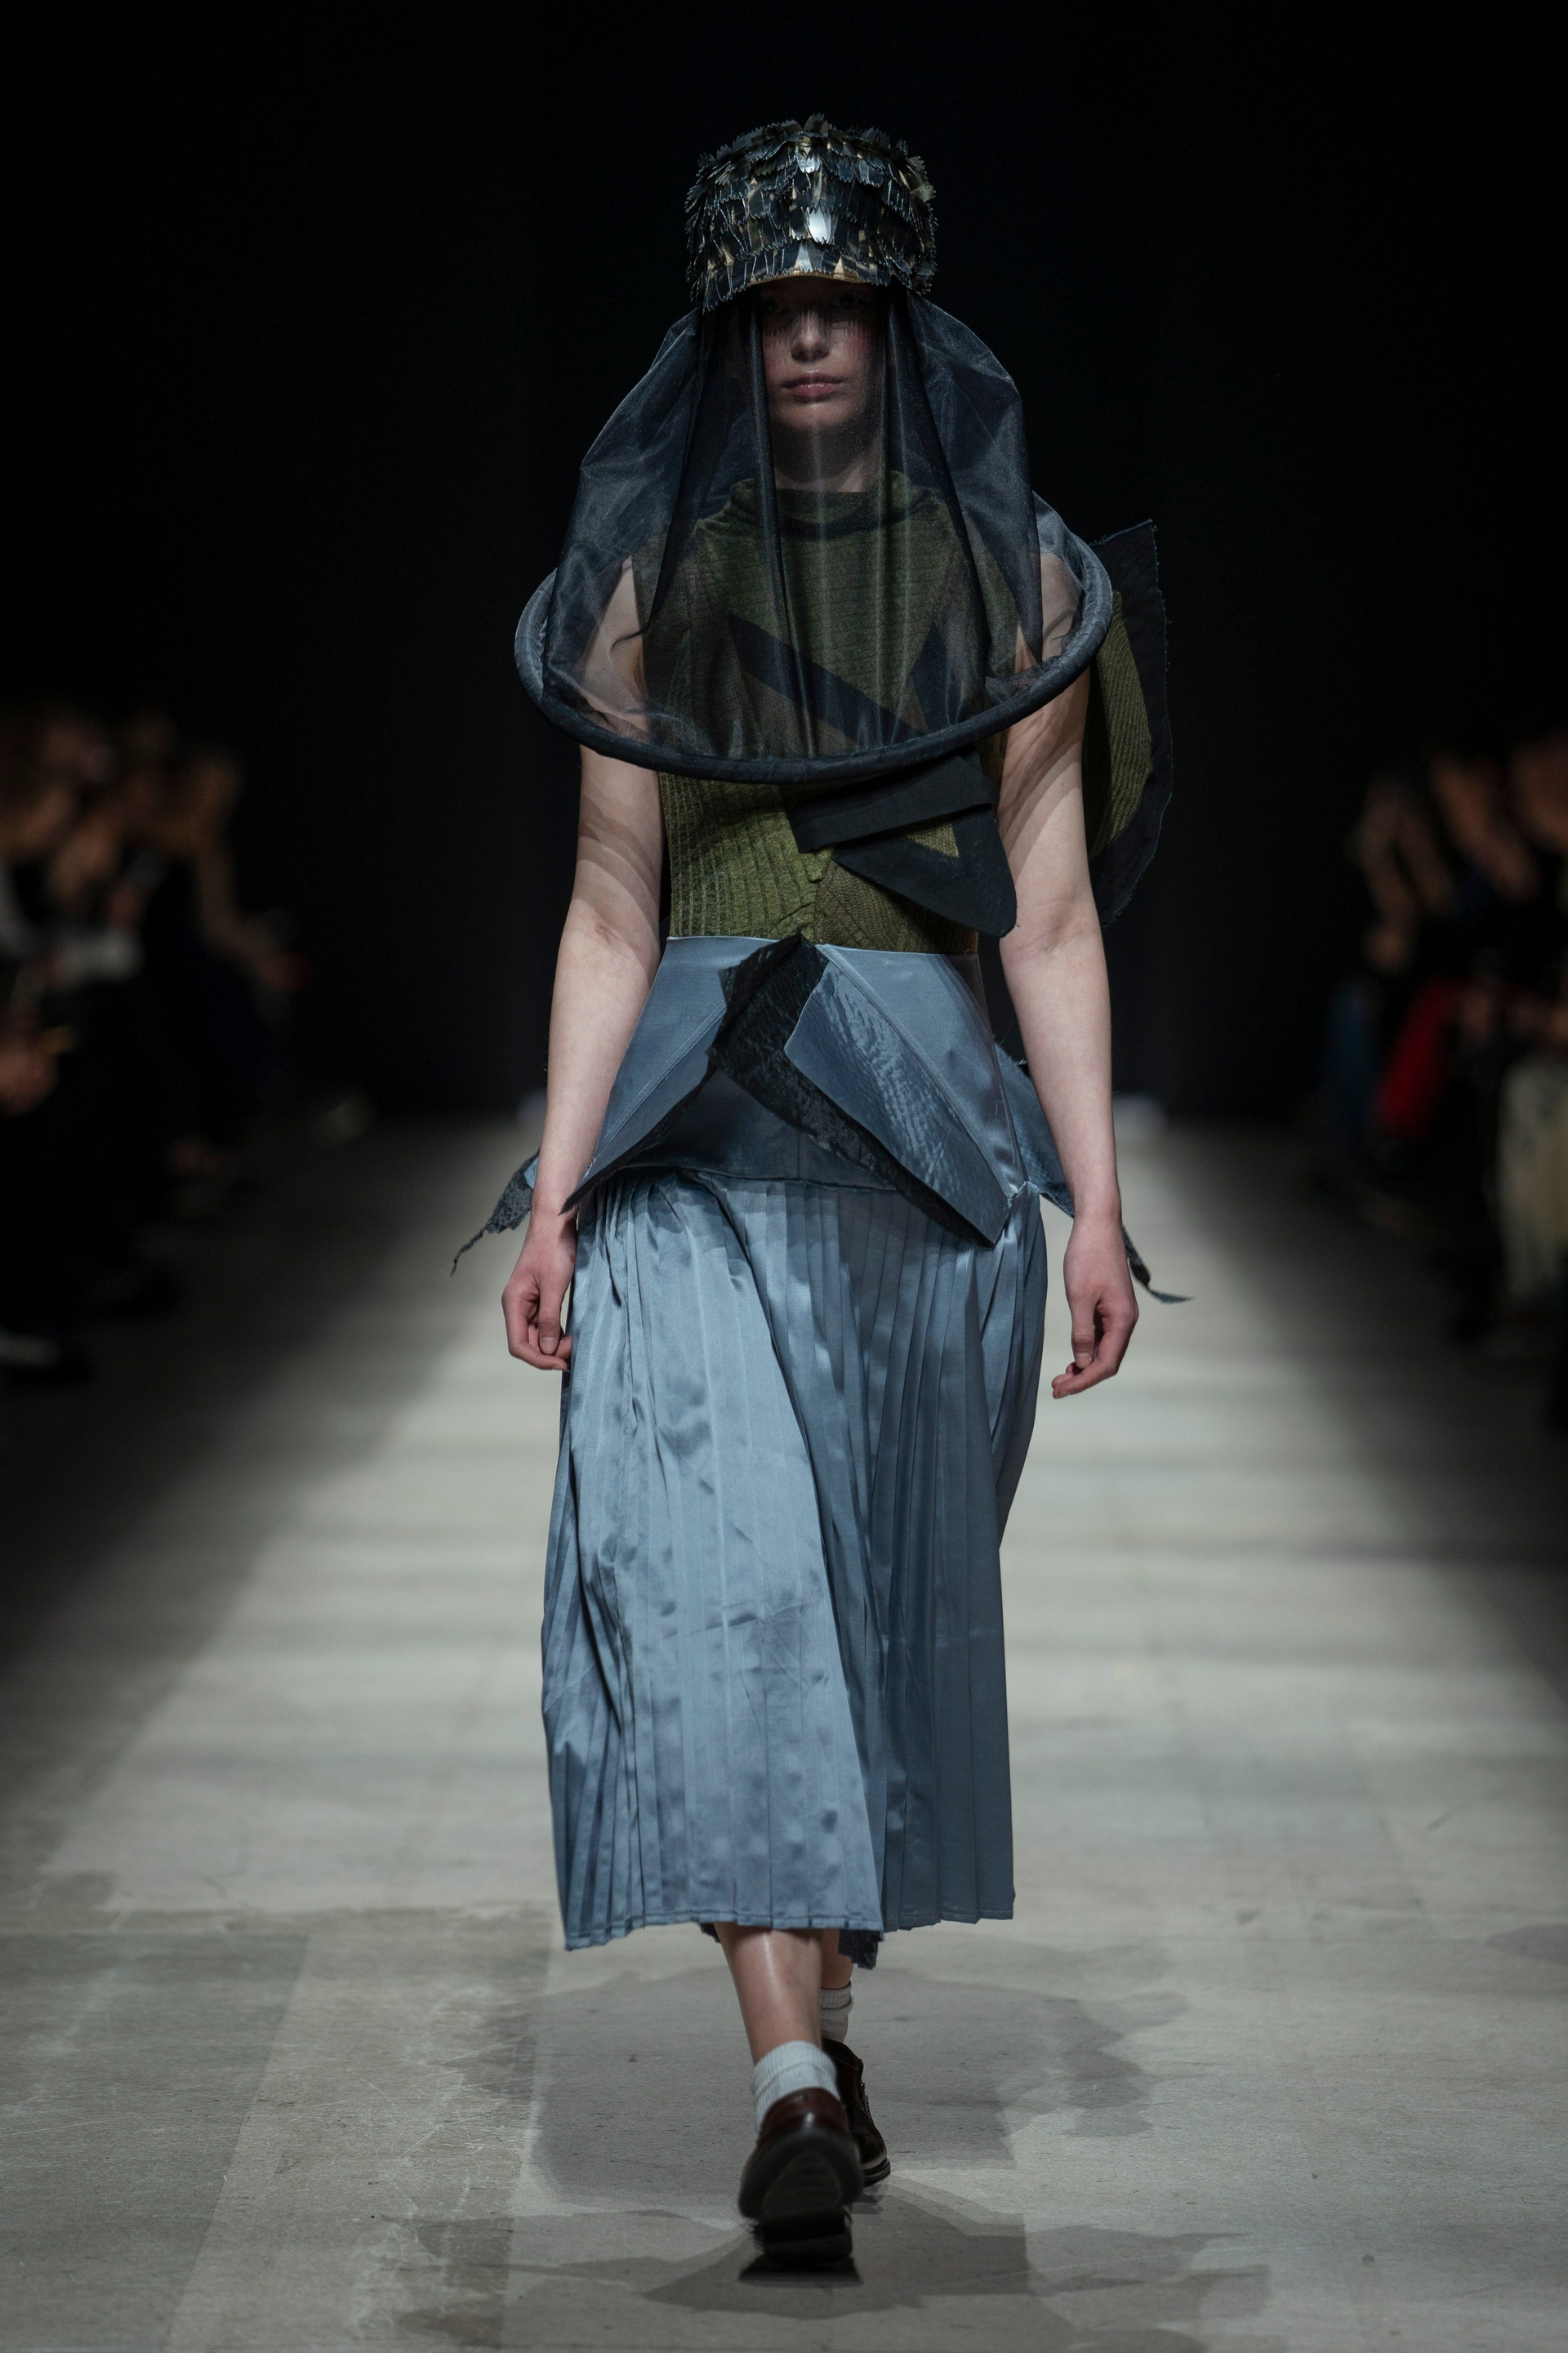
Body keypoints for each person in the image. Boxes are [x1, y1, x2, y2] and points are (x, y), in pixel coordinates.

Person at [481, 118, 1171, 2266]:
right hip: (694, 1126)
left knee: (866, 1617)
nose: (803, 340)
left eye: (836, 305)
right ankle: (787, 2076)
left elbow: (1052, 918)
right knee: (710, 1591)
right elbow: (610, 906)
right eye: (769, 309)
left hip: (924, 1142)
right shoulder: (649, 582)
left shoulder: (1018, 581)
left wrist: (1095, 1199)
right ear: (723, 334)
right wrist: (557, 1190)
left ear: (896, 324)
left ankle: (822, 2027)